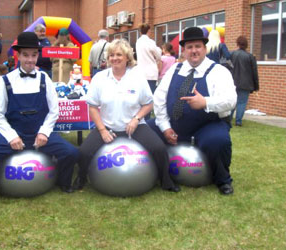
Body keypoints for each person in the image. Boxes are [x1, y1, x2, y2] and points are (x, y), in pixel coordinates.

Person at [0, 32, 79, 204]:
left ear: (38, 55)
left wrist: (45, 132)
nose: (30, 60)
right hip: (15, 134)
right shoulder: (5, 80)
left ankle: (62, 182)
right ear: (18, 55)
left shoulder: (45, 78)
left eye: (34, 55)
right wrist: (11, 136)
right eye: (26, 55)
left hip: (40, 134)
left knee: (72, 152)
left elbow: (54, 111)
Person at [72, 39, 180, 193]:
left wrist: (136, 119)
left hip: (135, 126)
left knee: (159, 148)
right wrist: (102, 130)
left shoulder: (137, 77)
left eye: (119, 55)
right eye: (111, 55)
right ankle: (81, 180)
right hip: (108, 126)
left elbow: (149, 103)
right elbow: (93, 107)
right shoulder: (100, 78)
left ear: (127, 57)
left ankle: (166, 182)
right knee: (83, 152)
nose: (114, 58)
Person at [147, 27, 237, 195]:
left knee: (218, 141)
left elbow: (231, 100)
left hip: (208, 124)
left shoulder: (219, 72)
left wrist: (205, 102)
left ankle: (222, 179)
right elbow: (159, 98)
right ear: (184, 50)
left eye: (197, 46)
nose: (194, 51)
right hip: (175, 124)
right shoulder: (174, 70)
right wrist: (165, 127)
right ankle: (153, 171)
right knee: (144, 130)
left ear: (204, 48)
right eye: (189, 47)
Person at [230, 36, 259, 126]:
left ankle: (228, 119)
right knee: (242, 102)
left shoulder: (232, 54)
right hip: (246, 83)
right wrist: (256, 86)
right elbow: (254, 72)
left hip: (233, 82)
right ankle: (238, 121)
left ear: (237, 43)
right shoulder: (250, 57)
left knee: (232, 102)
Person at [136, 23, 161, 95]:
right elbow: (158, 56)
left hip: (140, 72)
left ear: (140, 32)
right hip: (151, 73)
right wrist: (159, 50)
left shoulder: (138, 42)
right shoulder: (151, 42)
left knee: (141, 95)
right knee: (150, 95)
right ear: (149, 31)